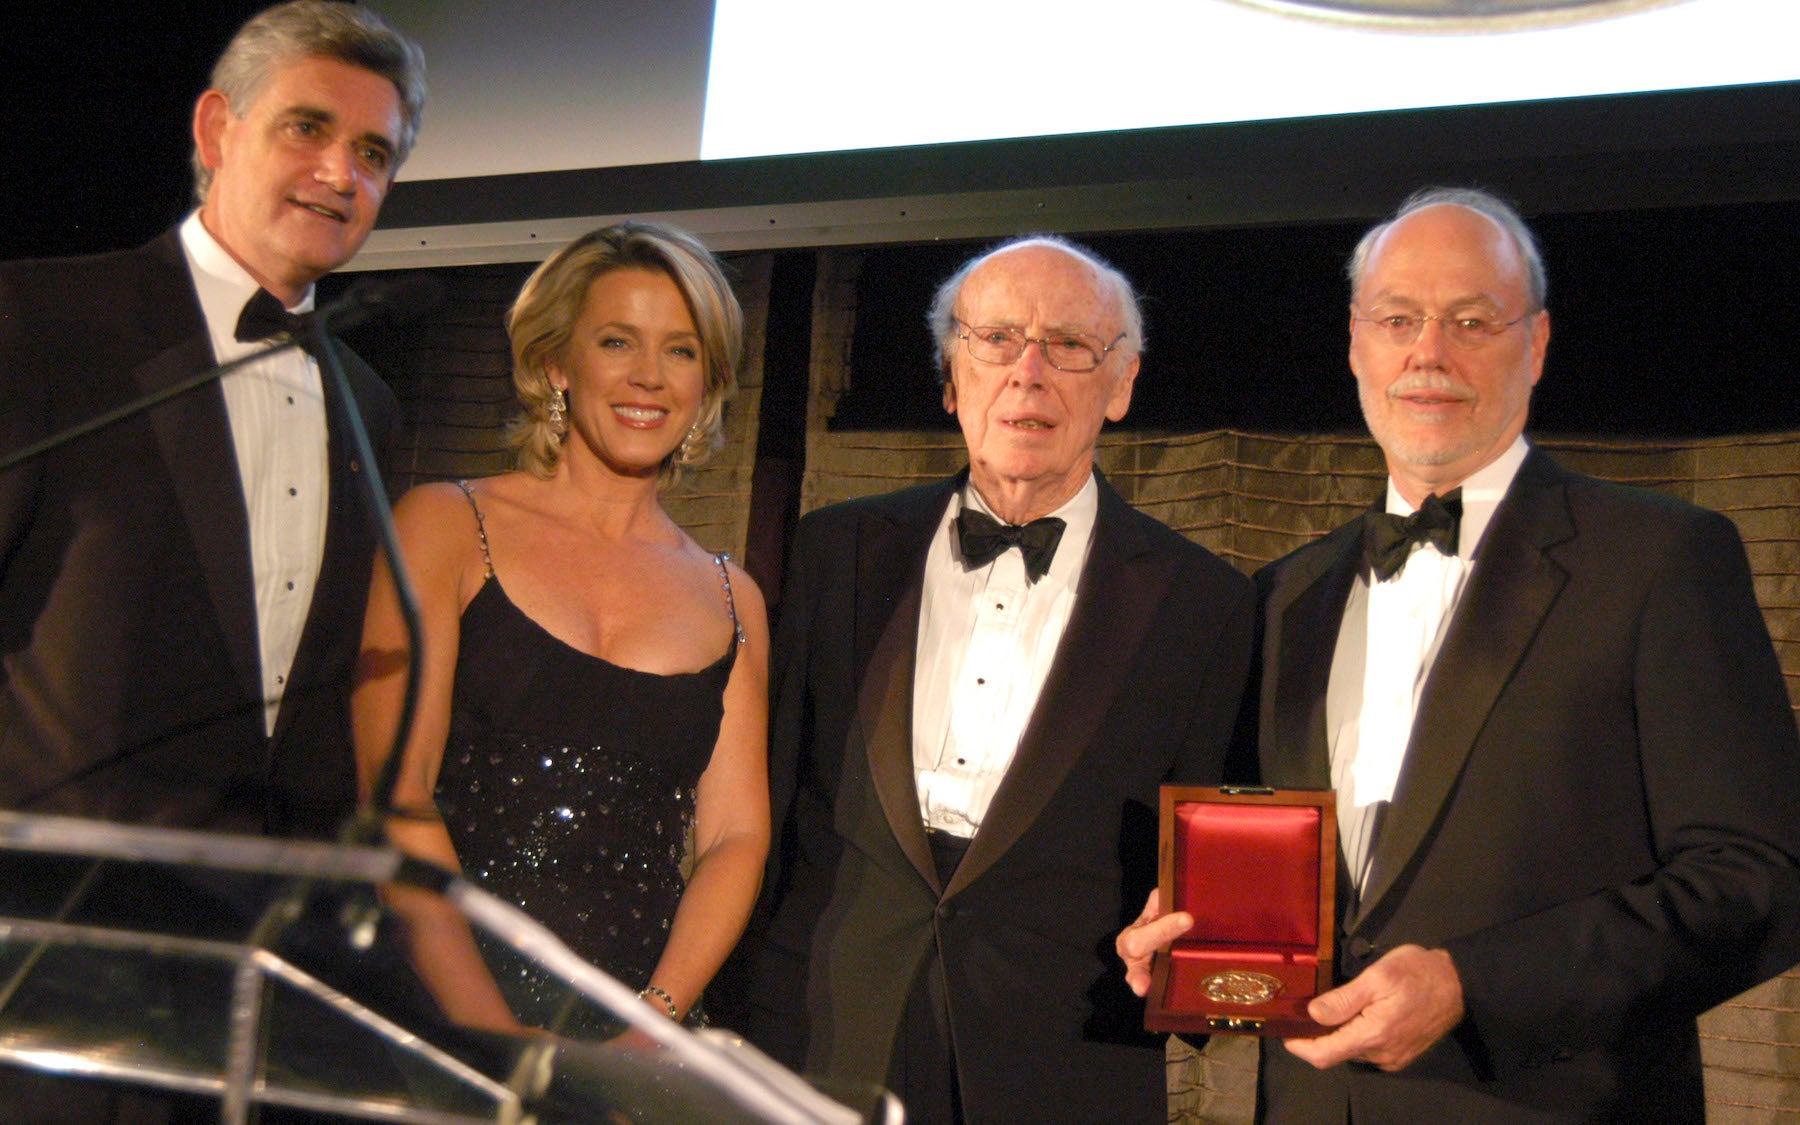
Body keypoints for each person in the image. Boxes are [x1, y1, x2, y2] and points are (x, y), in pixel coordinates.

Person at [1119, 187, 1800, 1122]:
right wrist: (1181, 944)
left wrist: (1474, 985)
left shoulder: (1661, 558)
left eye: (1471, 320)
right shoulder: (1284, 595)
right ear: (1357, 342)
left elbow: (1756, 877)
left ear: (1538, 344)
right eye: (1398, 319)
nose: (1427, 352)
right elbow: (1261, 871)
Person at [738, 235, 1256, 1122]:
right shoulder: (834, 549)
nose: (1029, 371)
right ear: (950, 379)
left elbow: (1215, 865)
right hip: (824, 1032)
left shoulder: (1206, 600)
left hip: (1065, 1056)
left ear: (1121, 385)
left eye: (1069, 346)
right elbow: (775, 799)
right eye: (997, 339)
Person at [0, 0, 425, 839]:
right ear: (216, 130)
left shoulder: (370, 405)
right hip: (42, 907)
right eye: (308, 127)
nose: (341, 174)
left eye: (372, 154)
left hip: (255, 915)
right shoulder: (41, 320)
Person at [353, 222, 770, 1034]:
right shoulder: (445, 525)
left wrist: (654, 1023)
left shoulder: (732, 595)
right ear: (555, 363)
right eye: (618, 341)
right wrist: (495, 1038)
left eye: (682, 350)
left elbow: (735, 837)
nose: (649, 376)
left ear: (708, 383)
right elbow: (395, 793)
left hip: (630, 1038)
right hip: (439, 1017)